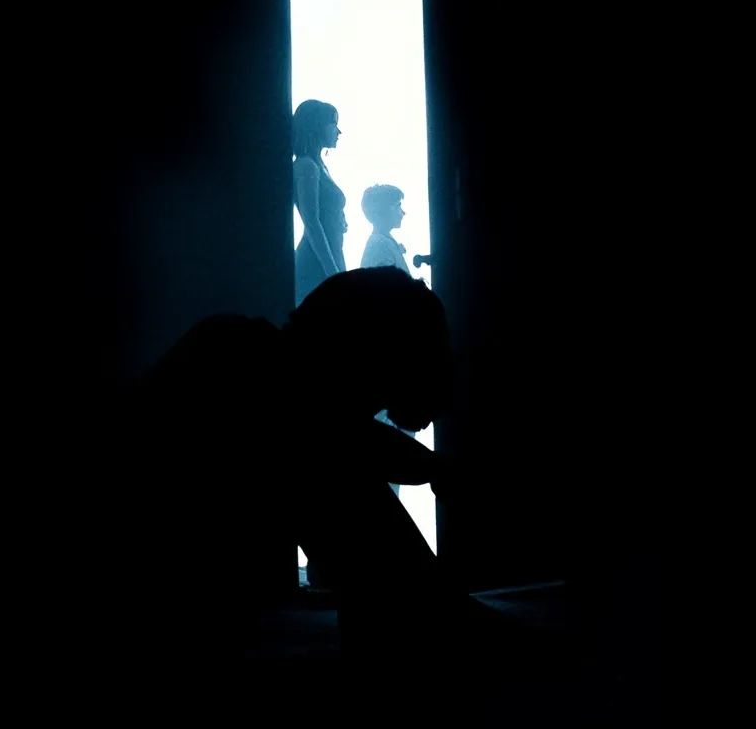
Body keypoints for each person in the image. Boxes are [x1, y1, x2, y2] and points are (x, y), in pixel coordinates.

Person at [126, 267, 523, 660]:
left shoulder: (245, 366)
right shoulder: (274, 405)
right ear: (370, 356)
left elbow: (342, 435)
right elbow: (344, 446)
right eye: (420, 360)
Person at [292, 99, 347, 307]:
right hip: (317, 263)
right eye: (333, 123)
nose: (338, 131)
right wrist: (333, 274)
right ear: (316, 126)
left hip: (329, 256)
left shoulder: (319, 165)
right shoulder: (307, 166)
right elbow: (312, 223)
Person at [358, 184, 411, 275]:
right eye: (398, 206)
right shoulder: (381, 245)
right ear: (381, 211)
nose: (403, 212)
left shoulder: (381, 242)